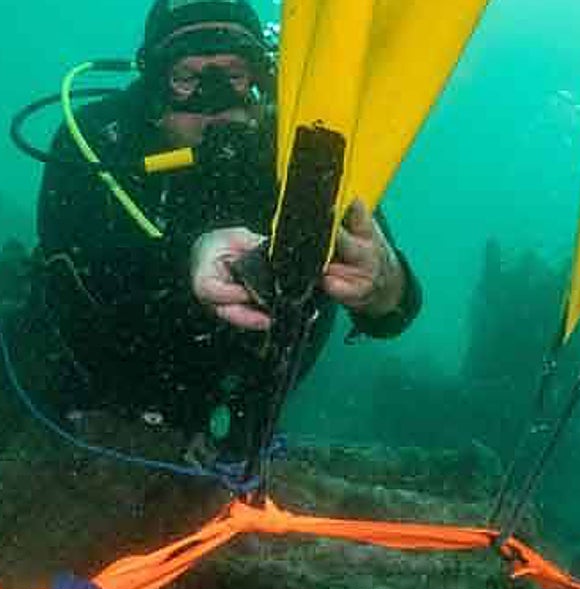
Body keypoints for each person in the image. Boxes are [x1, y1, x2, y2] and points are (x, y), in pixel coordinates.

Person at [30, 0, 421, 454]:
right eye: (188, 78)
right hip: (100, 401)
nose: (213, 101)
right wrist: (185, 260)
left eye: (234, 74)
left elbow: (394, 314)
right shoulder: (99, 139)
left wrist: (384, 281)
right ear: (155, 88)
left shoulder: (306, 148)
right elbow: (72, 270)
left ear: (262, 76)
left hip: (242, 424)